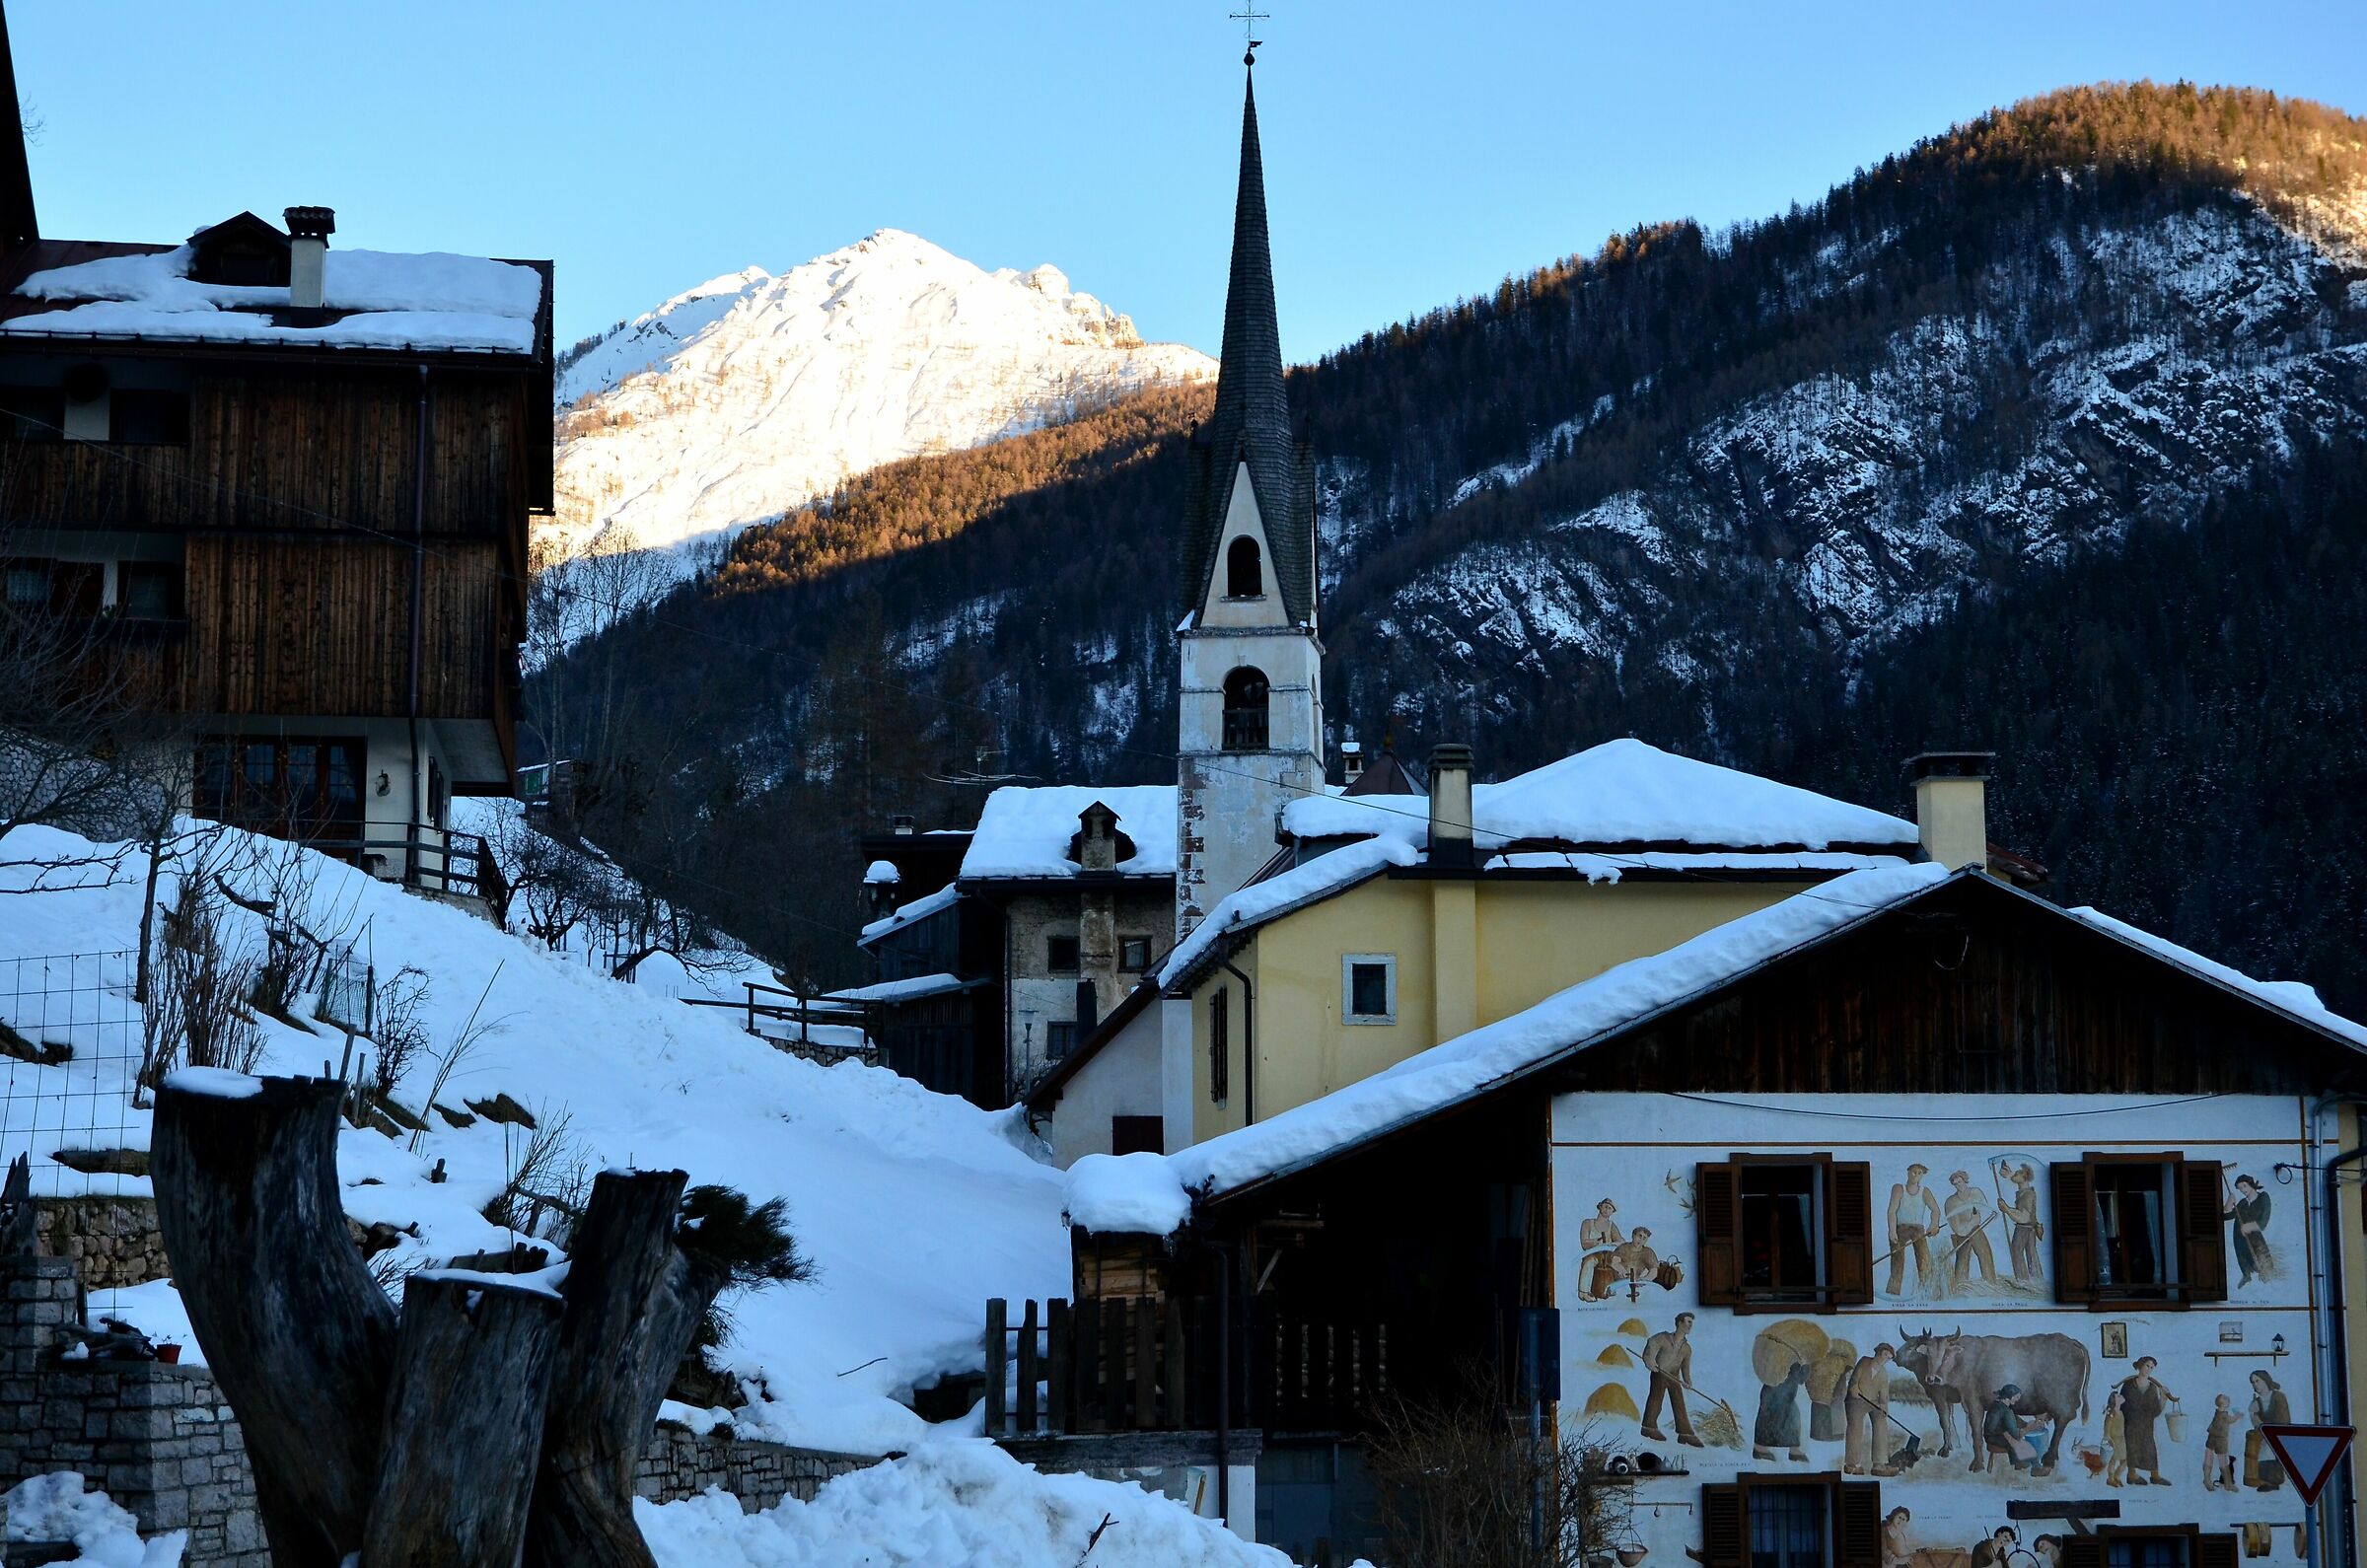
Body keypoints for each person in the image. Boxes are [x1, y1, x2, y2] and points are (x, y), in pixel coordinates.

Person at [1642, 1313, 1704, 1447]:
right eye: (1688, 1322)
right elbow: (1651, 1345)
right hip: (1659, 1372)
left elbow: (1685, 1367)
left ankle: (1685, 1434)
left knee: (1679, 1402)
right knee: (1656, 1399)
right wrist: (1650, 1361)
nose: (1690, 1325)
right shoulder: (1663, 1338)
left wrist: (1687, 1381)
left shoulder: (1687, 1348)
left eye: (1691, 1323)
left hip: (1674, 1375)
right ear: (1680, 1323)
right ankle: (1648, 1428)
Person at [2116, 1357, 2177, 1486]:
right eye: (2147, 1365)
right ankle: (2131, 1475)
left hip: (2146, 1425)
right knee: (2132, 1447)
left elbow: (2155, 1411)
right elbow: (2121, 1405)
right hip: (2131, 1423)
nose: (2149, 1369)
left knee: (2149, 1448)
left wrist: (2163, 1399)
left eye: (2151, 1367)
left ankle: (2155, 1476)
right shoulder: (2128, 1385)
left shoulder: (2152, 1388)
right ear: (2140, 1366)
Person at [1888, 1166, 1944, 1295]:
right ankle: (1893, 1292)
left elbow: (1935, 1210)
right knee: (1897, 1262)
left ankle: (1927, 1291)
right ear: (1908, 1172)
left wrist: (1934, 1224)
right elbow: (1892, 1211)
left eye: (1919, 1173)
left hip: (1918, 1229)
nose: (1916, 1175)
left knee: (1924, 1260)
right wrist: (1892, 1230)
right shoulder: (1898, 1188)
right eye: (1914, 1172)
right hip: (1900, 1228)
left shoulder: (1925, 1191)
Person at [1844, 1342, 1898, 1476]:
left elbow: (1884, 1395)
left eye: (1889, 1357)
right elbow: (1854, 1381)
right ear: (1878, 1352)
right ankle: (1852, 1464)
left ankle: (1879, 1464)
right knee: (1855, 1427)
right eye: (1885, 1354)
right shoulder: (1864, 1362)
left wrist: (1884, 1406)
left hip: (1872, 1402)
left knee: (1881, 1422)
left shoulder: (1884, 1374)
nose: (1885, 1358)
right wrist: (1854, 1388)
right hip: (1856, 1400)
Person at [1946, 1170, 1998, 1288]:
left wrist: (1991, 1212)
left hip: (1976, 1230)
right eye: (1956, 1184)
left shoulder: (1976, 1192)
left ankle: (1991, 1284)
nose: (1959, 1185)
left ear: (1965, 1180)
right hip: (1961, 1234)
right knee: (1962, 1261)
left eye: (1960, 1181)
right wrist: (1968, 1225)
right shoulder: (1951, 1202)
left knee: (1985, 1254)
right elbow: (1955, 1225)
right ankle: (1960, 1287)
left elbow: (1985, 1207)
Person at [1982, 1385, 2050, 1474]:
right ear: (2010, 1396)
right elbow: (2016, 1435)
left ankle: (2022, 1463)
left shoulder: (1997, 1405)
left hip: (1990, 1436)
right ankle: (2036, 1469)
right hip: (1998, 1438)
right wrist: (2030, 1428)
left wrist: (2026, 1424)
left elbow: (2014, 1420)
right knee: (2026, 1445)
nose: (2018, 1399)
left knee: (2019, 1443)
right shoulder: (2007, 1411)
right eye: (2017, 1397)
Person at [1755, 1356, 1809, 1462]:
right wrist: (1806, 1364)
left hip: (1780, 1392)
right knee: (1784, 1416)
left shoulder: (1791, 1353)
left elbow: (1800, 1378)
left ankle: (1793, 1450)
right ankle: (1760, 1449)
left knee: (1789, 1416)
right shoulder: (1792, 1354)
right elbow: (1800, 1378)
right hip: (1777, 1392)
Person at [2244, 1370, 2291, 1490]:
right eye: (2253, 1382)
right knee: (2261, 1450)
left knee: (2269, 1449)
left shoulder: (2278, 1397)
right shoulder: (2257, 1401)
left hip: (2280, 1435)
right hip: (2265, 1436)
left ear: (2265, 1380)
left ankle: (2274, 1480)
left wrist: (2263, 1425)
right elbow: (2256, 1426)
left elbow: (2283, 1420)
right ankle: (2265, 1480)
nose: (2255, 1384)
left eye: (2257, 1381)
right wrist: (2253, 1413)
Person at [2225, 1176, 2274, 1287]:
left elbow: (2264, 1220)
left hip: (2254, 1234)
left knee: (2259, 1255)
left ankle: (2265, 1274)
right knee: (2242, 1255)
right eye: (2240, 1188)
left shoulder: (2263, 1197)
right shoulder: (2243, 1202)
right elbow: (2228, 1216)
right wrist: (2229, 1203)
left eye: (2244, 1186)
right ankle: (2246, 1276)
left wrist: (2249, 1226)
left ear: (2251, 1184)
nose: (2243, 1190)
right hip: (2238, 1235)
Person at [1999, 1164, 2044, 1286]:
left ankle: (2023, 1281)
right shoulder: (2026, 1192)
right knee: (2031, 1252)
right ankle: (2036, 1279)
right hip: (2030, 1227)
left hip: (2024, 1227)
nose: (2015, 1174)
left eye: (2018, 1173)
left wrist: (2007, 1209)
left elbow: (2024, 1217)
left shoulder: (2027, 1195)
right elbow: (2013, 1177)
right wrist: (2008, 1174)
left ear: (2024, 1177)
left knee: (2016, 1250)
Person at [1591, 1226, 1660, 1301]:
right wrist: (1622, 1270)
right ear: (1633, 1235)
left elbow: (1654, 1271)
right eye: (1639, 1236)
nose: (1641, 1240)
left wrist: (1644, 1280)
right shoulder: (1623, 1248)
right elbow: (1615, 1262)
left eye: (1644, 1238)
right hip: (1618, 1283)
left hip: (1635, 1285)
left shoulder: (1648, 1252)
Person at [2204, 1392, 2239, 1490]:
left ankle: (2208, 1480)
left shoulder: (2218, 1412)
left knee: (2210, 1458)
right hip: (2220, 1439)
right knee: (2222, 1461)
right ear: (2221, 1403)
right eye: (2224, 1398)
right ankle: (2227, 1483)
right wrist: (2237, 1416)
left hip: (2213, 1437)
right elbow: (2231, 1420)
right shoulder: (2223, 1414)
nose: (2227, 1399)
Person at [2102, 1386, 2127, 1487]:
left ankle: (2117, 1476)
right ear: (2115, 1400)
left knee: (2125, 1460)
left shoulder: (2120, 1412)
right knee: (2113, 1460)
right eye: (2118, 1396)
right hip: (2114, 1440)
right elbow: (2107, 1425)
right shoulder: (2111, 1413)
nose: (2121, 1397)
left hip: (2122, 1440)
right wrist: (2107, 1437)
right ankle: (2110, 1479)